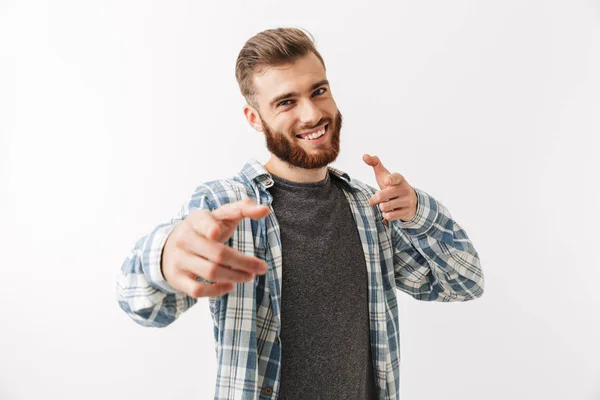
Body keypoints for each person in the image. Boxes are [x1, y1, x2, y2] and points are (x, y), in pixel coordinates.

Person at [116, 27, 484, 400]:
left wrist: (417, 211)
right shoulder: (226, 207)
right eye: (286, 102)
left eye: (318, 91)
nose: (312, 114)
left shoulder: (368, 209)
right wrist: (164, 256)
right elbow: (142, 305)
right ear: (254, 118)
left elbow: (463, 283)